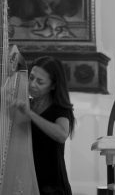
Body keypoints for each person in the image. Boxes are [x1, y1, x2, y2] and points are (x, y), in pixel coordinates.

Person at [14, 56, 75, 195]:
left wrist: (30, 114)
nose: (33, 84)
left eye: (40, 81)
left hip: (51, 185)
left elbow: (61, 135)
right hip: (25, 180)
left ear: (53, 85)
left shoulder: (60, 109)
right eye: (31, 78)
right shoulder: (24, 105)